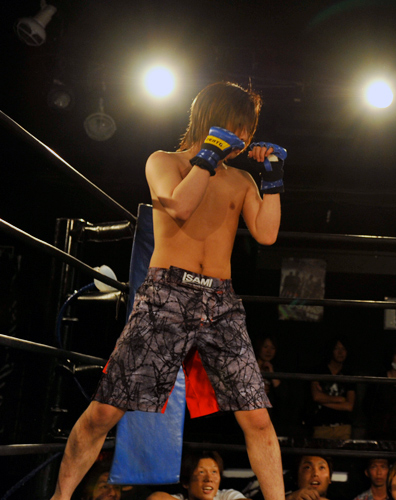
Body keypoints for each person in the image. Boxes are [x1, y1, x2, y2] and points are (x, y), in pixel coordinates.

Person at [50, 81, 286, 500]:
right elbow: (179, 204)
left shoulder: (242, 179)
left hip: (220, 302)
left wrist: (273, 177)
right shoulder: (164, 161)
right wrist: (208, 155)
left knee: (257, 417)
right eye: (237, 126)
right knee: (105, 410)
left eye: (247, 130)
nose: (243, 137)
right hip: (167, 295)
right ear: (212, 119)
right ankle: (60, 496)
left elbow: (266, 234)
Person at [147, 450, 247, 500]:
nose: (209, 479)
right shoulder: (180, 498)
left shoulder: (226, 496)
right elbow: (156, 497)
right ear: (186, 482)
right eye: (201, 472)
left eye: (214, 472)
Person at [309, 338, 356, 439]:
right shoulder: (319, 370)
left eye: (343, 349)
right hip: (321, 426)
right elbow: (316, 396)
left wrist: (324, 401)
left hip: (343, 427)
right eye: (337, 348)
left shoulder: (349, 374)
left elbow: (349, 406)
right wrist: (339, 399)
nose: (340, 352)